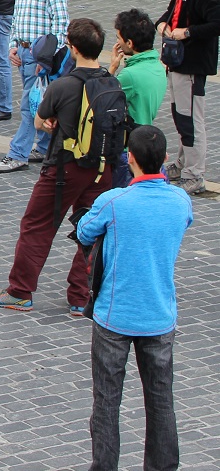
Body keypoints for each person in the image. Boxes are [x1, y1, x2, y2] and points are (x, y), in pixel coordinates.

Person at [76, 125, 192, 471]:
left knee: (107, 401)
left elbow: (84, 231)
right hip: (159, 314)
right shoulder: (180, 201)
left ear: (130, 158)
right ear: (165, 158)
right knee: (161, 400)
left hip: (115, 315)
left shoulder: (114, 202)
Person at [0, 18, 119, 315]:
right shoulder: (111, 80)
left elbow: (38, 122)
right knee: (91, 230)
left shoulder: (63, 85)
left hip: (65, 167)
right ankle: (81, 296)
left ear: (72, 48)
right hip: (102, 168)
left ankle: (20, 291)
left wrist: (51, 121)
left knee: (38, 225)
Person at [0, 0, 69, 173]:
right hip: (24, 53)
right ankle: (44, 148)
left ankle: (18, 154)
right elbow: (17, 18)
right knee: (38, 103)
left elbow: (61, 25)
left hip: (40, 57)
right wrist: (13, 45)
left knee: (28, 106)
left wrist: (46, 59)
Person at [156, 0, 217, 196]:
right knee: (182, 117)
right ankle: (182, 166)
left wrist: (187, 32)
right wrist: (162, 25)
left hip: (192, 66)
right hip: (179, 63)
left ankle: (195, 175)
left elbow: (216, 23)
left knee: (191, 120)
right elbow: (168, 16)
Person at [110, 9, 165, 186]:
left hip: (127, 150)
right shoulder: (157, 66)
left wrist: (112, 68)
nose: (117, 42)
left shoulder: (130, 75)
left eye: (119, 38)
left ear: (130, 43)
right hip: (145, 139)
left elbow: (104, 99)